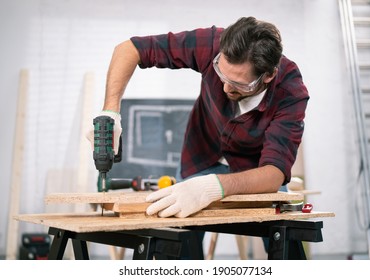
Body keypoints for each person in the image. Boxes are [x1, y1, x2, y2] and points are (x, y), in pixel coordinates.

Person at [88, 16, 309, 220]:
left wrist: (214, 186)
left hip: (255, 173)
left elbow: (273, 174)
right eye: (221, 74)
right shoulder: (213, 44)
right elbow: (129, 49)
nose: (225, 87)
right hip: (200, 158)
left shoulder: (290, 92)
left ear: (268, 75)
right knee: (178, 238)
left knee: (281, 233)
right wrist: (110, 112)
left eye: (240, 84)